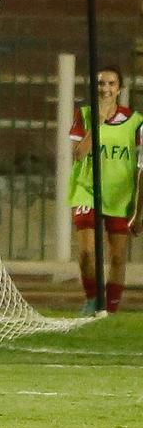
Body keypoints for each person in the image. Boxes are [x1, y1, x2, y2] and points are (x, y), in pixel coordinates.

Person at [69, 65, 143, 314]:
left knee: (118, 257)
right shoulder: (84, 115)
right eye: (101, 83)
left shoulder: (135, 121)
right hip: (86, 189)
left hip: (119, 194)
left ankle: (109, 310)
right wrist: (98, 121)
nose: (106, 88)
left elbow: (140, 164)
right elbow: (79, 154)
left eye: (111, 84)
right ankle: (92, 299)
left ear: (120, 89)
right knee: (86, 253)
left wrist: (138, 210)